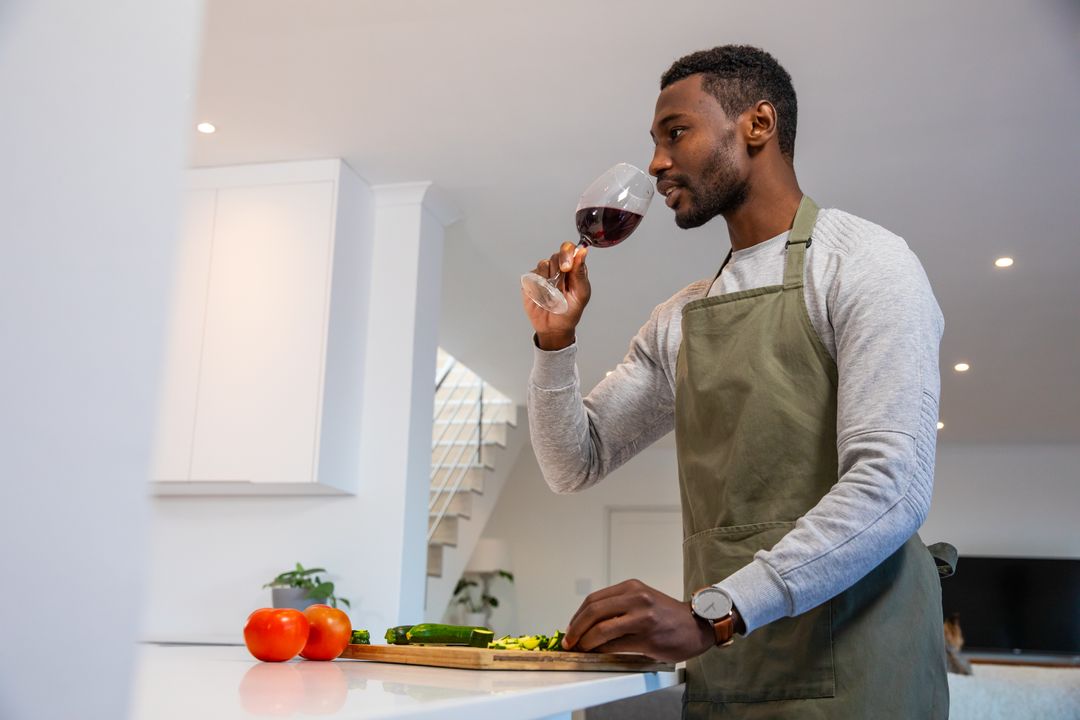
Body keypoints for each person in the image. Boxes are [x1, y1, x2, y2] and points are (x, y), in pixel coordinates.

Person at [521, 45, 950, 719]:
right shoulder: (681, 315)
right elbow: (573, 462)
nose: (658, 162)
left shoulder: (867, 264)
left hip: (858, 670)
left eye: (676, 132)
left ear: (757, 125)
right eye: (655, 142)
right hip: (731, 665)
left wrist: (713, 615)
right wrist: (555, 341)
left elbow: (890, 486)